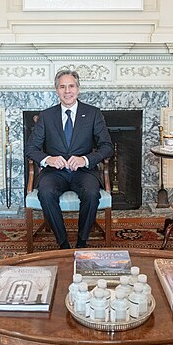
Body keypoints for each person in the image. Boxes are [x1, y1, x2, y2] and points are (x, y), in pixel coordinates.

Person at [25, 70, 114, 249]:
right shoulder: (46, 116)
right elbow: (30, 148)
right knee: (46, 193)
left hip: (83, 172)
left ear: (78, 89)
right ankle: (63, 243)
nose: (67, 91)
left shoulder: (93, 113)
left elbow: (107, 147)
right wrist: (48, 159)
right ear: (56, 91)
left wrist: (86, 160)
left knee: (91, 193)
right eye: (62, 87)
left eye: (71, 86)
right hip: (54, 173)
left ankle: (82, 241)